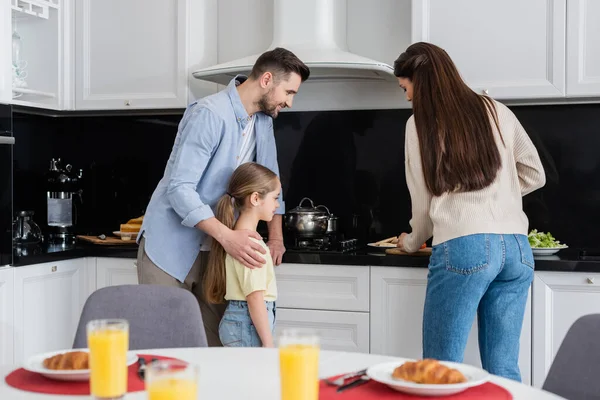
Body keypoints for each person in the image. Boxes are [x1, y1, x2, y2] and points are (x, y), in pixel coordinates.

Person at [136, 48, 310, 346]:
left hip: (216, 250)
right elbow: (180, 188)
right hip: (169, 247)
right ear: (267, 79)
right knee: (166, 350)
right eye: (289, 91)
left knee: (218, 349)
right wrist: (227, 237)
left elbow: (271, 181)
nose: (289, 102)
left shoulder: (263, 123)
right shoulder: (209, 113)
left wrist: (276, 239)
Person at [393, 42, 546, 381]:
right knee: (504, 370)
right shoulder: (496, 110)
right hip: (518, 251)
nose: (406, 97)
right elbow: (536, 173)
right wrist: (500, 196)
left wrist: (408, 242)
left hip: (465, 247)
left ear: (420, 81)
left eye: (406, 88)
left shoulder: (419, 124)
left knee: (438, 369)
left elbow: (422, 206)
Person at [204, 162, 280, 347]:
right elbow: (254, 298)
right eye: (275, 198)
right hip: (247, 325)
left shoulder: (239, 239)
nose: (277, 205)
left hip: (240, 323)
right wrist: (268, 344)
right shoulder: (250, 245)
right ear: (255, 198)